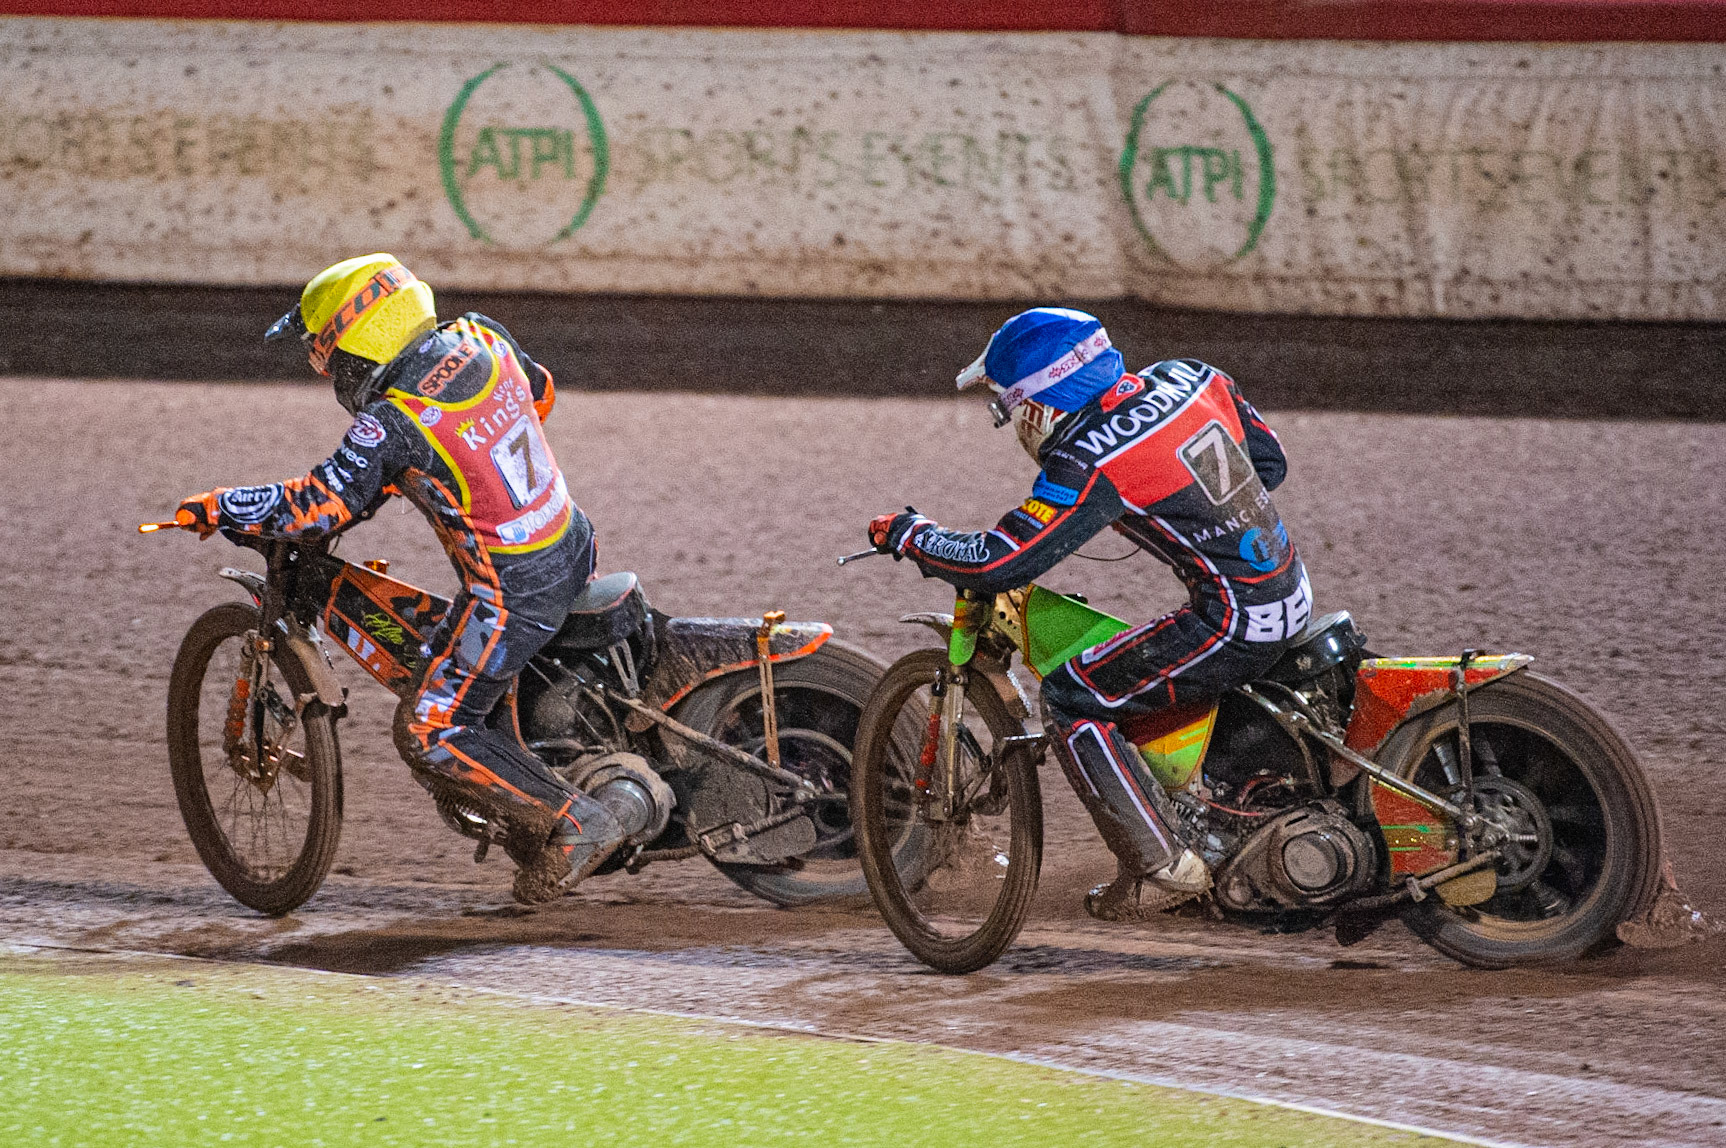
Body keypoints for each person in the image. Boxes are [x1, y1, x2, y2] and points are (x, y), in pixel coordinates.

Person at [177, 253, 624, 905]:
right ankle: (521, 789)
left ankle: (575, 823)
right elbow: (540, 392)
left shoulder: (392, 422)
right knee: (460, 671)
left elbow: (319, 505)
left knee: (428, 728)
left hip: (514, 596)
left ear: (357, 338)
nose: (319, 367)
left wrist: (221, 506)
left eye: (321, 351)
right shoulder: (481, 335)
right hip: (572, 540)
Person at [868, 307, 1311, 921]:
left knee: (1073, 695)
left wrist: (912, 535)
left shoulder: (1086, 461)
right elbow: (1268, 464)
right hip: (1289, 590)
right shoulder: (1192, 375)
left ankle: (1162, 863)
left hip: (1236, 620)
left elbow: (997, 563)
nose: (1007, 420)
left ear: (1038, 406)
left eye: (1005, 405)